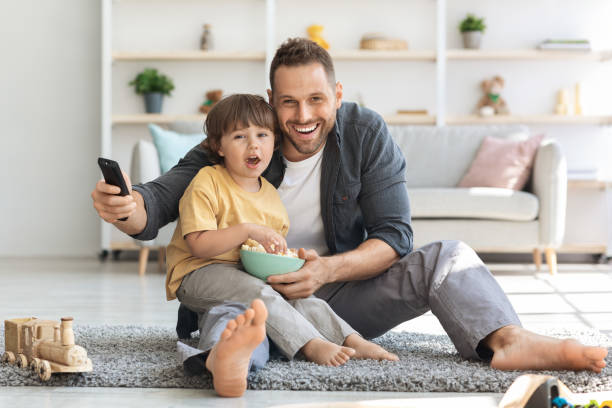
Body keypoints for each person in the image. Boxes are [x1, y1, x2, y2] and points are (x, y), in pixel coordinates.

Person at [92, 38, 607, 376]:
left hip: (337, 294)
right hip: (252, 292)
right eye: (289, 103)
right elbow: (160, 199)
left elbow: (394, 236)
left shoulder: (366, 133)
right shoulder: (242, 140)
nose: (303, 116)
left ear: (336, 95)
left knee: (446, 255)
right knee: (243, 308)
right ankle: (232, 356)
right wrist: (127, 205)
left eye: (316, 99)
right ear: (271, 100)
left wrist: (325, 272)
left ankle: (507, 339)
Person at [171, 94, 398, 394]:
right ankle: (310, 344)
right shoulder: (207, 181)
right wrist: (248, 230)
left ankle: (350, 339)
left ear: (274, 142)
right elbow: (198, 246)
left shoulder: (270, 197)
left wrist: (291, 260)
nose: (253, 145)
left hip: (245, 278)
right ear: (218, 146)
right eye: (240, 136)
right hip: (198, 274)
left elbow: (265, 255)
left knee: (300, 298)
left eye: (262, 135)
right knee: (260, 293)